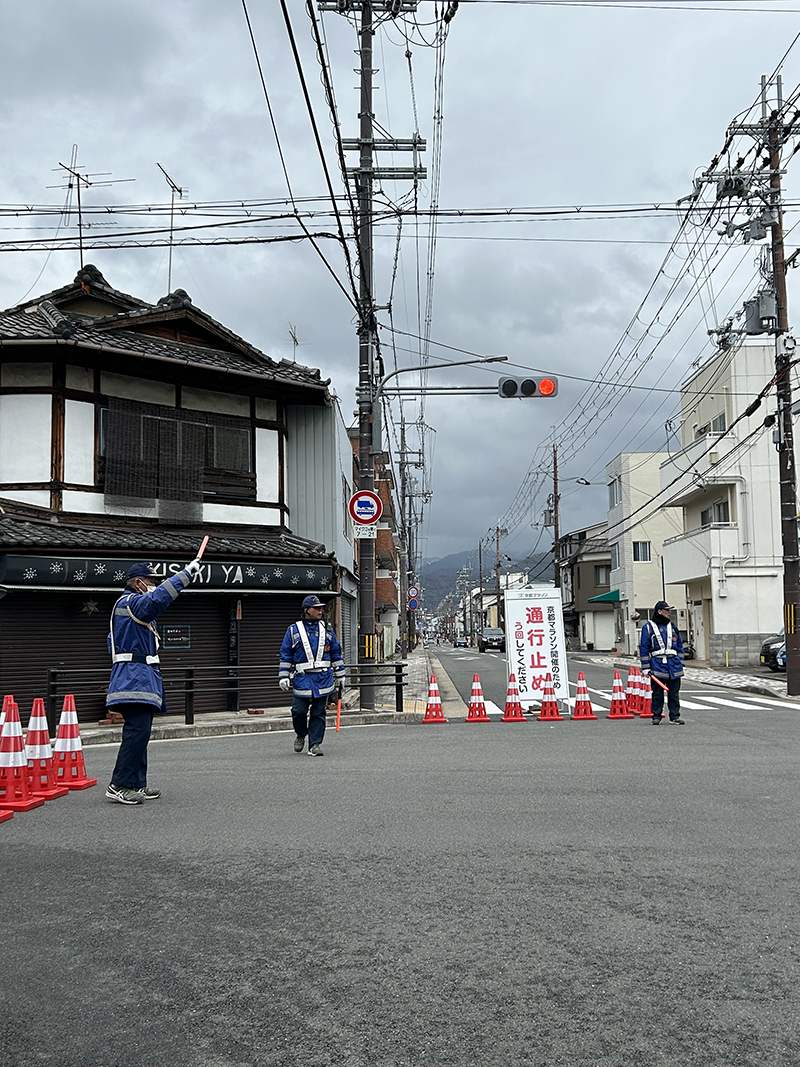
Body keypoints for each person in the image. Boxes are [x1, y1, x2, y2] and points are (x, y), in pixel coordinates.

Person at [105, 559, 201, 804]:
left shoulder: (126, 608)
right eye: (151, 581)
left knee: (140, 732)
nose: (154, 585)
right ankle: (119, 784)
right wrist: (184, 576)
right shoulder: (133, 603)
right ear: (138, 583)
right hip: (134, 679)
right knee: (137, 731)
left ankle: (136, 784)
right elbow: (157, 599)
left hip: (135, 678)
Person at [279, 594, 345, 757]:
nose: (320, 611)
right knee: (298, 711)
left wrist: (341, 675)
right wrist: (283, 676)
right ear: (306, 610)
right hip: (302, 678)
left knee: (318, 712)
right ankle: (301, 733)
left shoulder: (327, 629)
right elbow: (286, 654)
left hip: (323, 678)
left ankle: (315, 744)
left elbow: (336, 653)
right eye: (316, 608)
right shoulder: (293, 630)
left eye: (321, 608)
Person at [640, 600, 685, 725]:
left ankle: (675, 716)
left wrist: (681, 662)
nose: (669, 613)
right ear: (660, 611)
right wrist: (645, 667)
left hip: (674, 664)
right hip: (657, 664)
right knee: (658, 693)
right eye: (667, 610)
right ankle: (656, 716)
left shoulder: (673, 626)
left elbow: (680, 645)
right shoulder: (648, 627)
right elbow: (644, 647)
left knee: (674, 693)